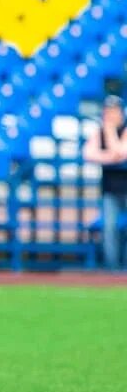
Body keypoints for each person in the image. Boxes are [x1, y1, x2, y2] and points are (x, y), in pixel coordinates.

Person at [82, 94, 127, 269]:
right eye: (108, 110)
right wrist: (112, 157)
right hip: (110, 190)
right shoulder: (99, 132)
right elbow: (88, 154)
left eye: (114, 110)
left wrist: (110, 133)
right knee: (109, 229)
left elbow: (121, 150)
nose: (110, 114)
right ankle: (112, 269)